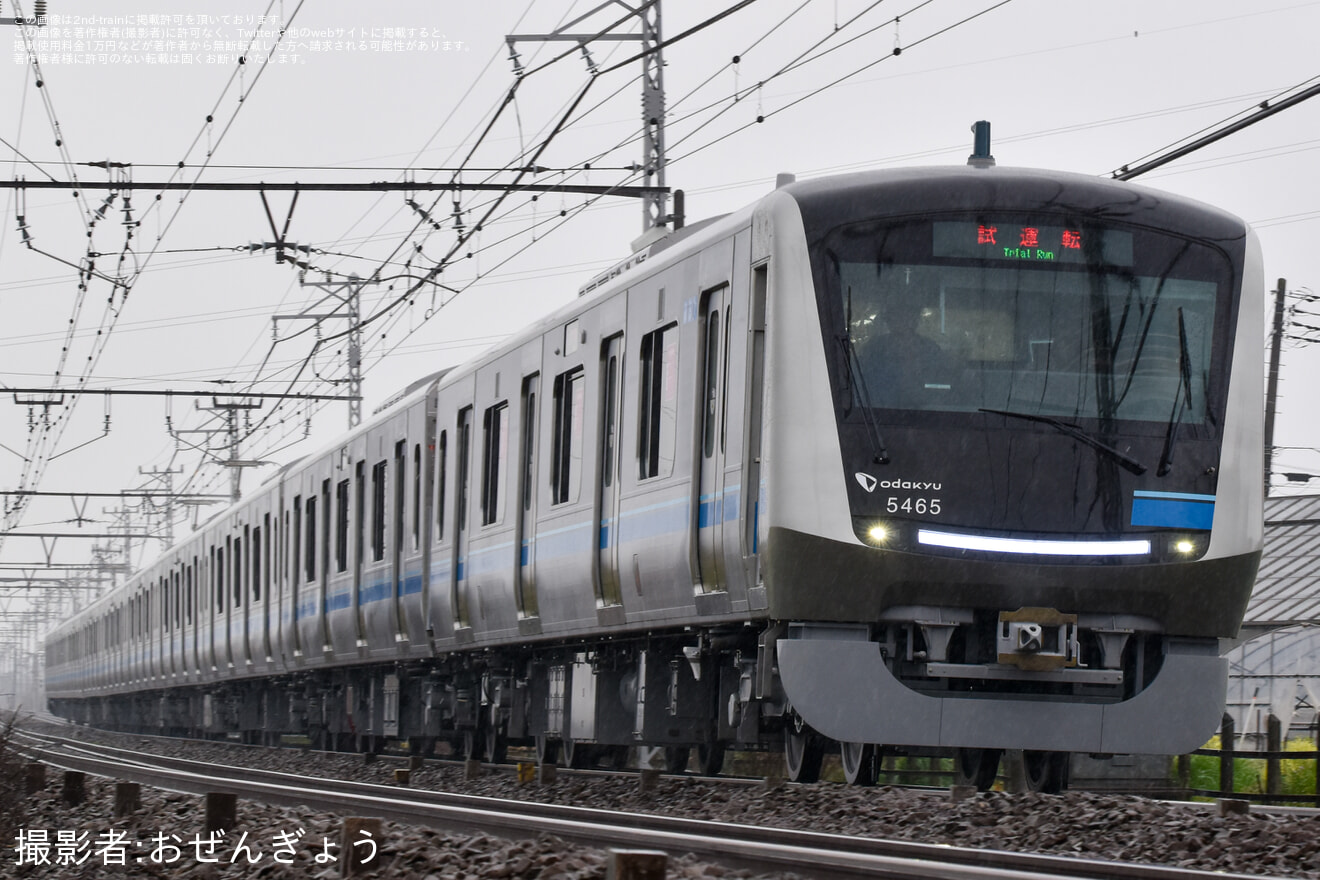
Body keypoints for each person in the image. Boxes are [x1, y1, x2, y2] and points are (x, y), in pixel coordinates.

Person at [860, 294, 961, 409]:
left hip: (927, 416)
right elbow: (864, 385)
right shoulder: (875, 348)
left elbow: (941, 388)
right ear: (888, 320)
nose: (903, 321)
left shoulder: (930, 349)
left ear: (915, 320)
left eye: (907, 316)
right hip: (874, 417)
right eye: (896, 316)